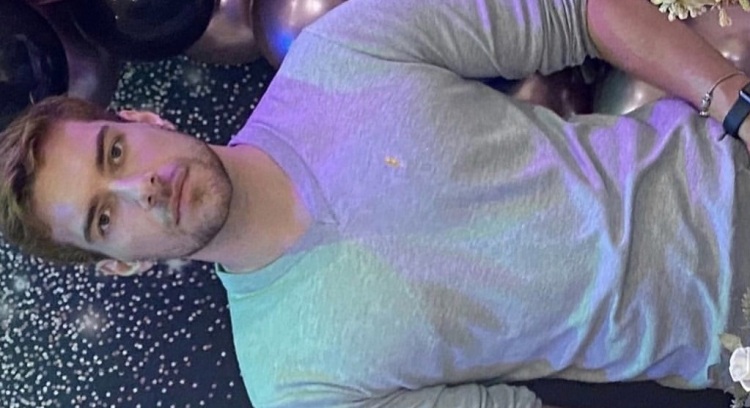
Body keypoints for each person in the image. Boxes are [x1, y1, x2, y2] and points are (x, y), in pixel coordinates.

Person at [1, 0, 750, 406]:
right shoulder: (294, 386)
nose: (141, 188)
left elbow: (577, 12)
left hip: (732, 160)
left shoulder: (343, 49)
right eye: (104, 217)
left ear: (143, 120)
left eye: (114, 154)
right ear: (122, 265)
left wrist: (736, 104)